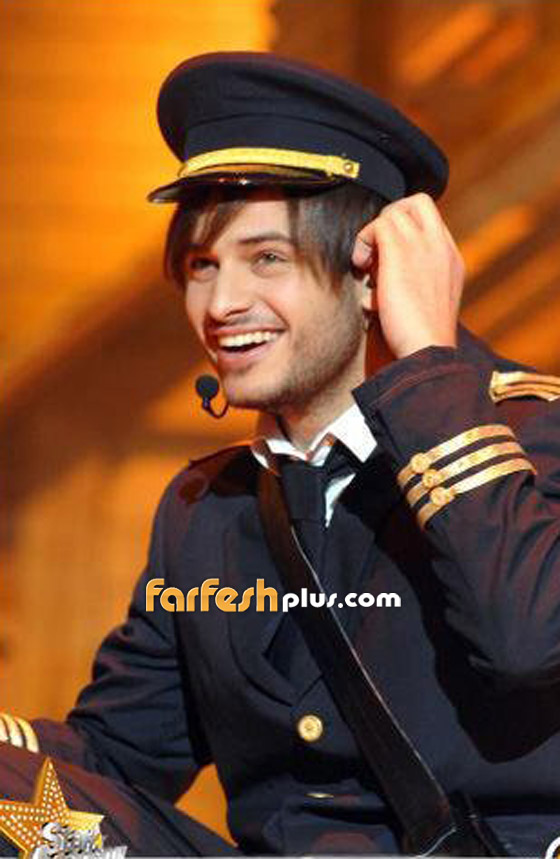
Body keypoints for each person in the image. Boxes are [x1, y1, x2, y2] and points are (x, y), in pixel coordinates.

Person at [1, 51, 560, 857]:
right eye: (202, 266)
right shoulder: (206, 508)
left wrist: (431, 365)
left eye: (269, 258)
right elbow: (113, 759)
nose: (222, 304)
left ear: (374, 272)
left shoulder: (534, 438)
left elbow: (528, 645)